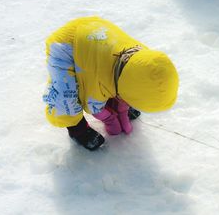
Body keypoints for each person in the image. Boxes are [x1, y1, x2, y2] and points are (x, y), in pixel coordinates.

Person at [42, 16, 179, 151]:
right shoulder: (98, 75)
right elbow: (92, 104)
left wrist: (123, 102)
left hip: (96, 32)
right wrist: (108, 117)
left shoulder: (147, 60)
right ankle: (78, 129)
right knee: (65, 96)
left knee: (118, 83)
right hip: (66, 45)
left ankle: (124, 96)